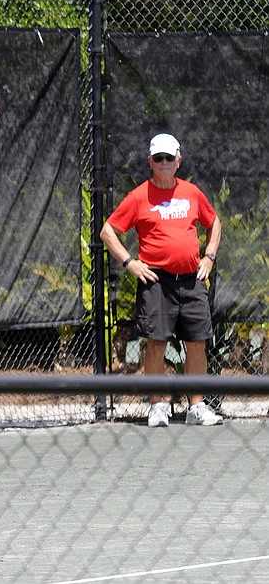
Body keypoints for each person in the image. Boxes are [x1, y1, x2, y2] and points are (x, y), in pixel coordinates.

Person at [100, 134, 222, 427]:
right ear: (150, 162)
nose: (164, 162)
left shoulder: (192, 193)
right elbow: (107, 231)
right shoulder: (138, 196)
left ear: (179, 160)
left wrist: (209, 256)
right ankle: (157, 407)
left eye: (169, 157)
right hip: (156, 283)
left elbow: (214, 222)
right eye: (158, 158)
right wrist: (130, 263)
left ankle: (196, 407)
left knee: (197, 343)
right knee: (156, 343)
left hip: (192, 281)